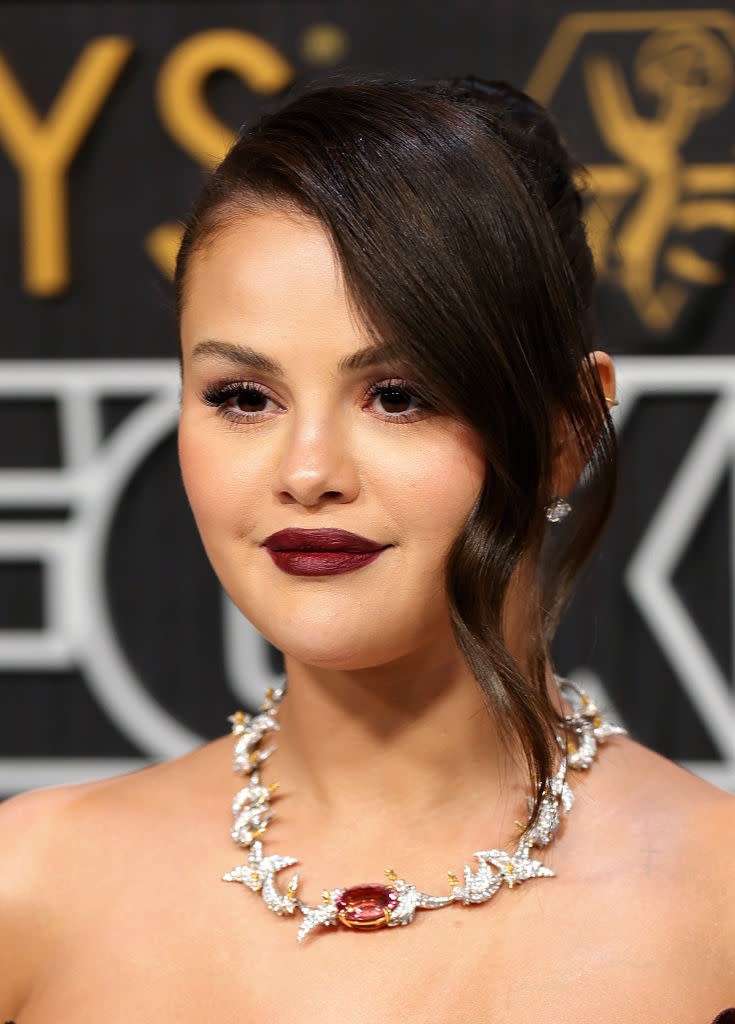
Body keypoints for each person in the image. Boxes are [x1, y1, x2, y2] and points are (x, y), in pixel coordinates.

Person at [1, 76, 734, 1023]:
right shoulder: (32, 885)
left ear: (568, 430)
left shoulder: (715, 907)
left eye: (398, 395)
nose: (307, 473)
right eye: (243, 398)